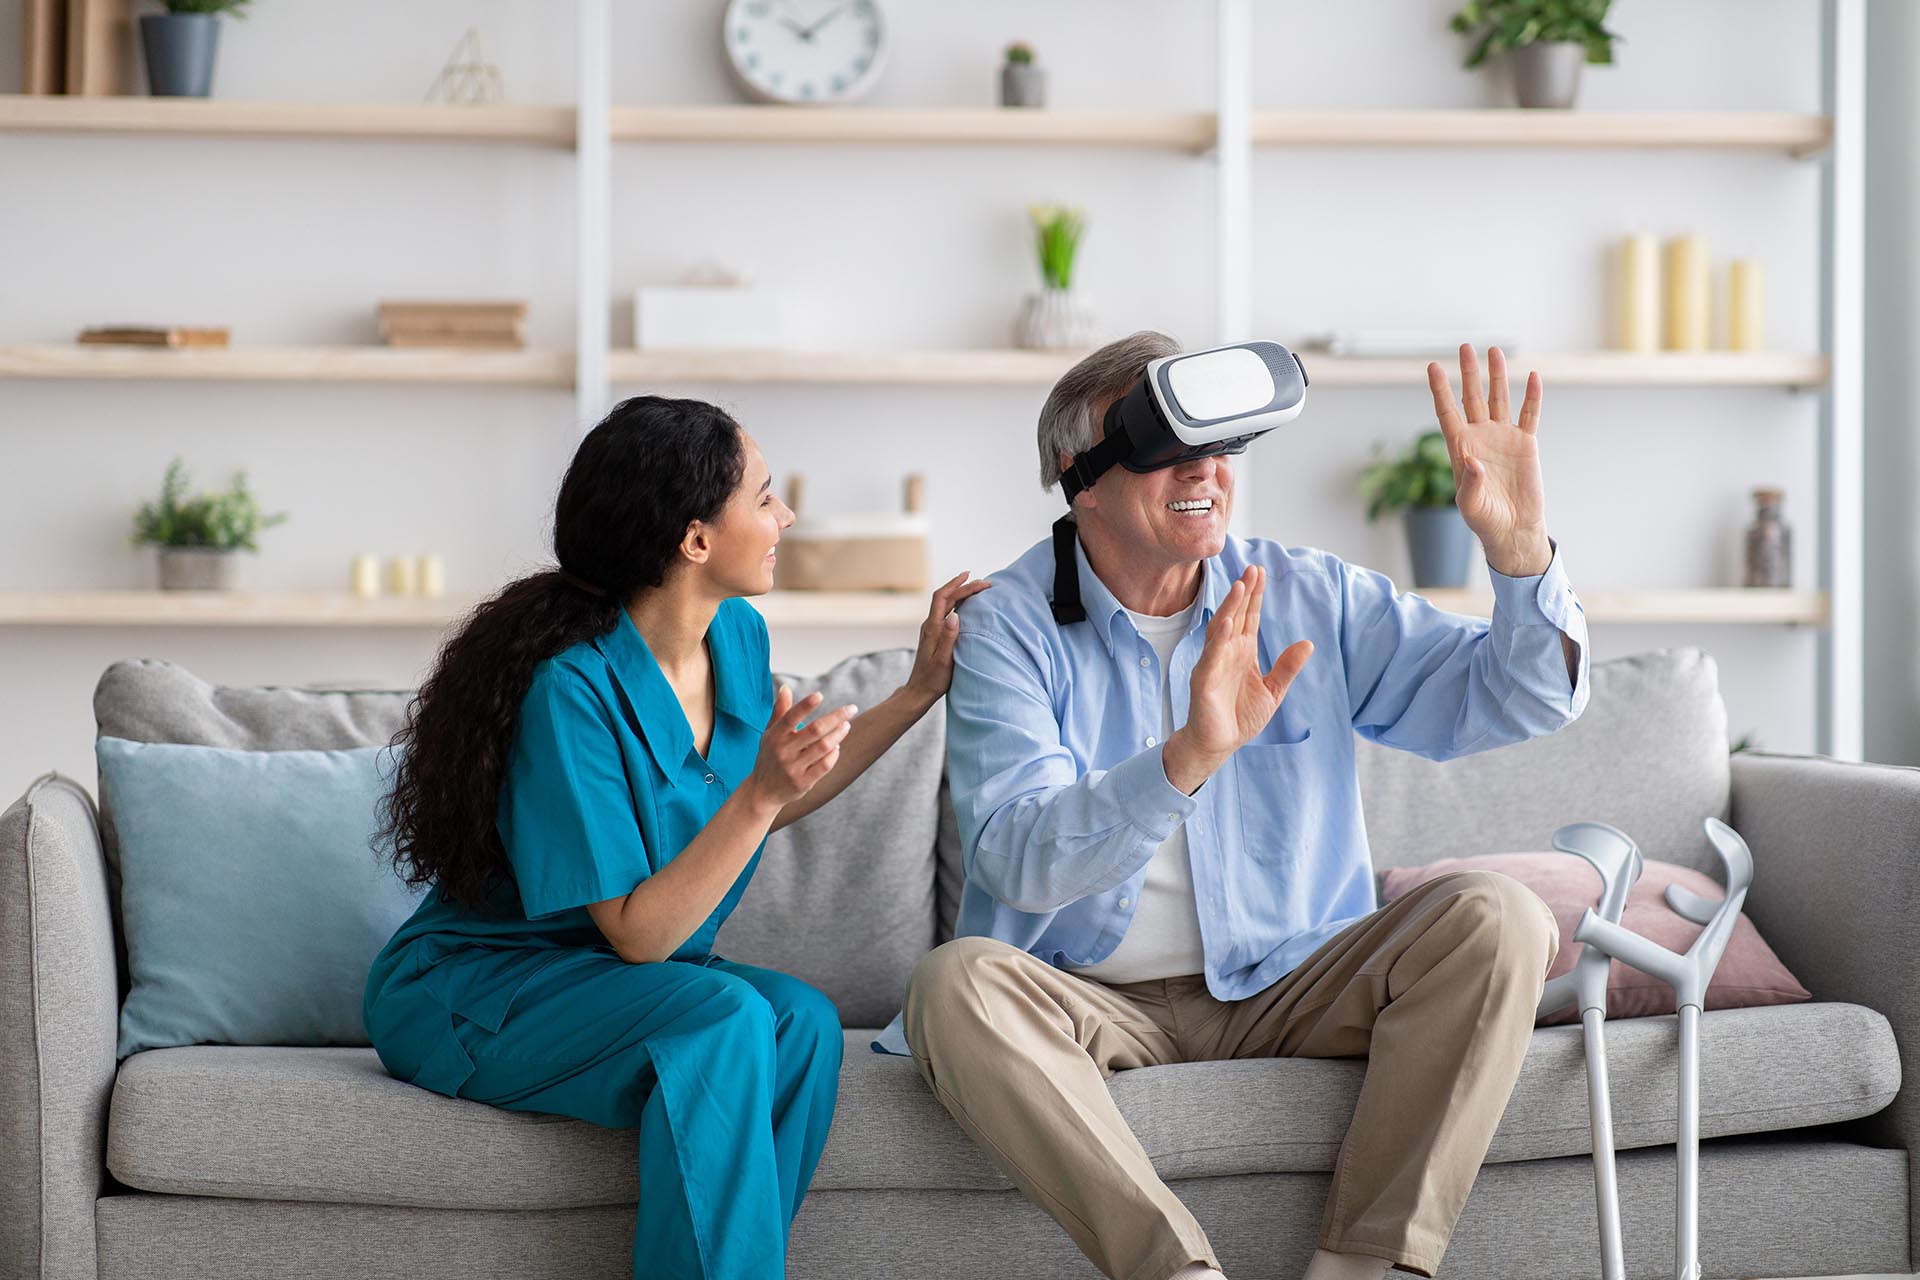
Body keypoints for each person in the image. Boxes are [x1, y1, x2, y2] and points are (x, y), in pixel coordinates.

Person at [889, 333, 1589, 1280]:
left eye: (1220, 445)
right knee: (954, 983)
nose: (1206, 471)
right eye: (1167, 446)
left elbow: (1517, 696)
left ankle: (1365, 1268)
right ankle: (1179, 1274)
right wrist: (1188, 757)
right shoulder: (1006, 627)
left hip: (1290, 980)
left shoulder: (1309, 593)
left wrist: (1517, 556)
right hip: (1089, 1001)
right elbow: (1016, 856)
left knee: (1499, 916)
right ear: (1080, 475)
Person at [363, 394, 988, 1280]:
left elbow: (766, 804)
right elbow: (640, 931)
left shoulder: (737, 634)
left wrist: (919, 691)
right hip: (479, 989)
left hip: (615, 984)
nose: (787, 517)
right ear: (697, 539)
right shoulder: (570, 690)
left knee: (801, 1022)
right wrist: (760, 791)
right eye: (765, 498)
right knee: (727, 1015)